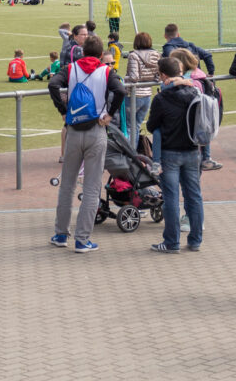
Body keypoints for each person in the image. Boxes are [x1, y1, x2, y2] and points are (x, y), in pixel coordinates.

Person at [48, 36, 125, 253]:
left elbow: (53, 84)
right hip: (96, 129)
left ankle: (61, 233)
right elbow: (120, 91)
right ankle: (82, 239)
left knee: (67, 185)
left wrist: (63, 111)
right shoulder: (106, 71)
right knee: (92, 187)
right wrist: (110, 114)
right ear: (101, 55)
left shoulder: (71, 68)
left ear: (82, 52)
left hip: (73, 131)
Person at [146, 56, 204, 253]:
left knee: (171, 198)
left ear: (163, 75)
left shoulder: (161, 98)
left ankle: (172, 242)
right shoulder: (194, 92)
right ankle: (195, 240)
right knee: (194, 196)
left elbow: (151, 125)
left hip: (170, 151)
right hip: (191, 149)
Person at [170, 48, 221, 171]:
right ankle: (206, 159)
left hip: (192, 123)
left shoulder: (191, 80)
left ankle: (203, 161)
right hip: (200, 121)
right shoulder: (198, 75)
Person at [125, 32, 161, 129]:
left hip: (134, 94)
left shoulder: (133, 55)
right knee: (137, 125)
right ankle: (134, 144)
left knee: (129, 126)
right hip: (147, 94)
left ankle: (129, 145)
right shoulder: (156, 55)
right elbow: (158, 76)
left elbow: (134, 77)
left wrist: (122, 79)